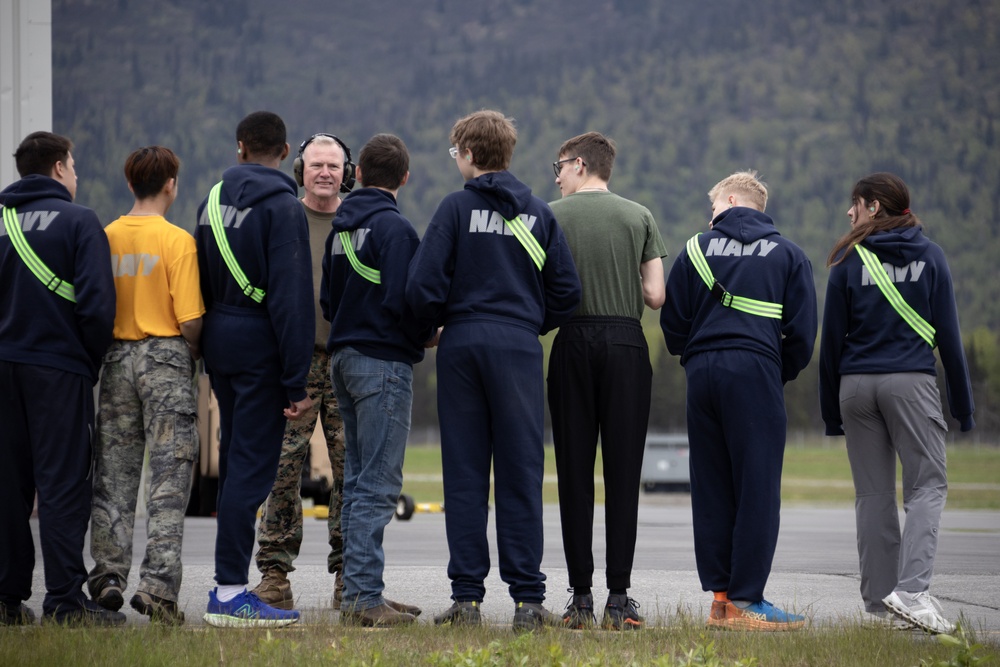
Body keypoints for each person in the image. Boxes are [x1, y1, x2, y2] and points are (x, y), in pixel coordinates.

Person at [405, 110, 582, 632]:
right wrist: (525, 321)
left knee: (464, 475)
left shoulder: (455, 210)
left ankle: (467, 601)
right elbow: (566, 293)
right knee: (521, 472)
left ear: (466, 154)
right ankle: (528, 601)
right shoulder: (539, 214)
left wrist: (434, 327)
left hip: (461, 344)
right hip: (519, 347)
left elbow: (421, 289)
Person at [819, 172, 975, 634]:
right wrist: (963, 407)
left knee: (873, 495)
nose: (850, 212)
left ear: (875, 207)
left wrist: (831, 412)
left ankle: (882, 605)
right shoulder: (930, 256)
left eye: (856, 203)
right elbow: (949, 336)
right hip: (909, 383)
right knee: (926, 487)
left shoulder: (849, 258)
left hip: (855, 388)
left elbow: (831, 344)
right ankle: (912, 593)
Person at [660, 170, 815, 631]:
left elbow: (673, 324)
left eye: (713, 210)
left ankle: (721, 600)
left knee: (710, 486)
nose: (710, 219)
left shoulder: (694, 249)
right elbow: (803, 335)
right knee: (757, 486)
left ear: (729, 200)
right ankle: (749, 601)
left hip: (703, 372)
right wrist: (774, 371)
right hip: (756, 370)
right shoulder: (789, 254)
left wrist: (696, 357)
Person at [194, 111, 314, 628]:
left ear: (240, 147)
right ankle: (229, 592)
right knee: (252, 469)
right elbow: (291, 300)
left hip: (219, 339)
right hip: (261, 345)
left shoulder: (210, 202)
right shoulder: (285, 209)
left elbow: (196, 272)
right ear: (285, 152)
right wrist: (295, 379)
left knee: (231, 457)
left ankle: (227, 584)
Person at [547, 132, 667, 630]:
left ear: (579, 165)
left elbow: (540, 285)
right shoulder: (639, 215)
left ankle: (580, 600)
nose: (555, 176)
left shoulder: (550, 215)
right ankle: (619, 599)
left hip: (571, 342)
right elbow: (656, 296)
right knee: (623, 476)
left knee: (574, 474)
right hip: (626, 345)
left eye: (558, 166)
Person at [0, 131, 120, 626]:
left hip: (3, 367)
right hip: (58, 369)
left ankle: (6, 600)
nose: (76, 174)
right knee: (62, 485)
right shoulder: (79, 221)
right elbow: (96, 308)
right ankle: (65, 601)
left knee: (8, 486)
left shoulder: (2, 223)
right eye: (73, 166)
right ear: (57, 168)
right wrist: (88, 362)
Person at [87, 146, 204, 625]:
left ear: (129, 183)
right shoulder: (177, 241)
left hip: (116, 358)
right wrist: (190, 354)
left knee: (113, 474)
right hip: (166, 356)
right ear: (171, 184)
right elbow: (192, 320)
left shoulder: (106, 237)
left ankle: (108, 576)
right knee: (168, 480)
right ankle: (157, 586)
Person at [321, 133, 428, 627]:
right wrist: (430, 335)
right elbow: (408, 301)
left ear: (356, 174)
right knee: (378, 486)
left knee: (358, 480)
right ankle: (364, 599)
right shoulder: (396, 230)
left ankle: (361, 591)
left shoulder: (340, 231)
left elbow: (327, 303)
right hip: (382, 363)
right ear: (404, 178)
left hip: (341, 358)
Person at [252, 133, 349, 611]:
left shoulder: (358, 221)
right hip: (294, 362)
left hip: (349, 362)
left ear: (347, 173)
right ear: (300, 171)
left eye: (334, 165)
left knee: (352, 472)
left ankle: (352, 577)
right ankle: (273, 575)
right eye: (316, 165)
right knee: (281, 471)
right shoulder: (283, 217)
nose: (325, 173)